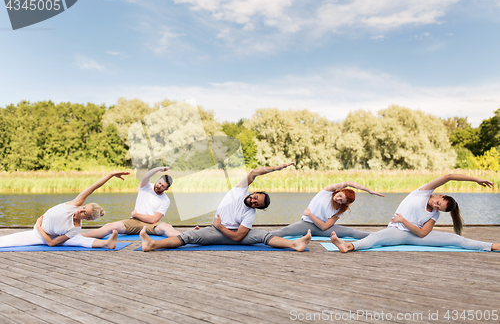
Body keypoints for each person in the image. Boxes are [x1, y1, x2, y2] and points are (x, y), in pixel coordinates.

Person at [140, 163, 311, 252]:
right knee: (188, 236)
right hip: (215, 231)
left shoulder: (249, 214)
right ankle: (153, 245)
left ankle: (295, 244)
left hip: (229, 233)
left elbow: (237, 238)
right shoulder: (240, 189)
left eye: (256, 204)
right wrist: (277, 168)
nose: (252, 201)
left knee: (264, 236)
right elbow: (253, 173)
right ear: (254, 192)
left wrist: (220, 227)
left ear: (256, 208)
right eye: (255, 198)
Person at [330, 174, 500, 252]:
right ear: (440, 195)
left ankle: (492, 246)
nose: (435, 206)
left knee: (456, 239)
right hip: (397, 232)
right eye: (438, 203)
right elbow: (449, 176)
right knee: (375, 238)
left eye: (438, 208)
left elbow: (421, 233)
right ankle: (349, 246)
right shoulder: (423, 192)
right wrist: (476, 179)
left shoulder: (434, 214)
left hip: (413, 235)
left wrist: (403, 220)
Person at [0, 171, 129, 249]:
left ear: (88, 218)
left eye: (85, 213)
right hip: (39, 232)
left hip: (40, 235)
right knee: (4, 241)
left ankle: (107, 244)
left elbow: (51, 243)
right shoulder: (74, 205)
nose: (81, 210)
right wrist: (111, 175)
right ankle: (105, 243)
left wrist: (38, 226)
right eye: (83, 207)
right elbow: (93, 187)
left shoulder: (75, 228)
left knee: (78, 239)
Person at [83, 167, 182, 239]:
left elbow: (154, 219)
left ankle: (189, 238)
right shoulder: (146, 186)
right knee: (109, 226)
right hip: (134, 222)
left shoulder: (165, 200)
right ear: (157, 181)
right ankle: (79, 236)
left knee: (167, 228)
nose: (159, 186)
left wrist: (136, 214)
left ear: (167, 188)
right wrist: (158, 169)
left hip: (152, 225)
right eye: (159, 183)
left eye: (163, 186)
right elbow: (146, 176)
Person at [270, 181, 385, 239]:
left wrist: (309, 214)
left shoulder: (340, 209)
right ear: (339, 191)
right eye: (340, 195)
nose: (338, 199)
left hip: (321, 229)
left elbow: (324, 227)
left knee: (351, 233)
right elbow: (349, 182)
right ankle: (257, 237)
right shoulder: (327, 192)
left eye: (341, 201)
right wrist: (368, 190)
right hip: (306, 224)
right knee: (283, 232)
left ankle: (380, 237)